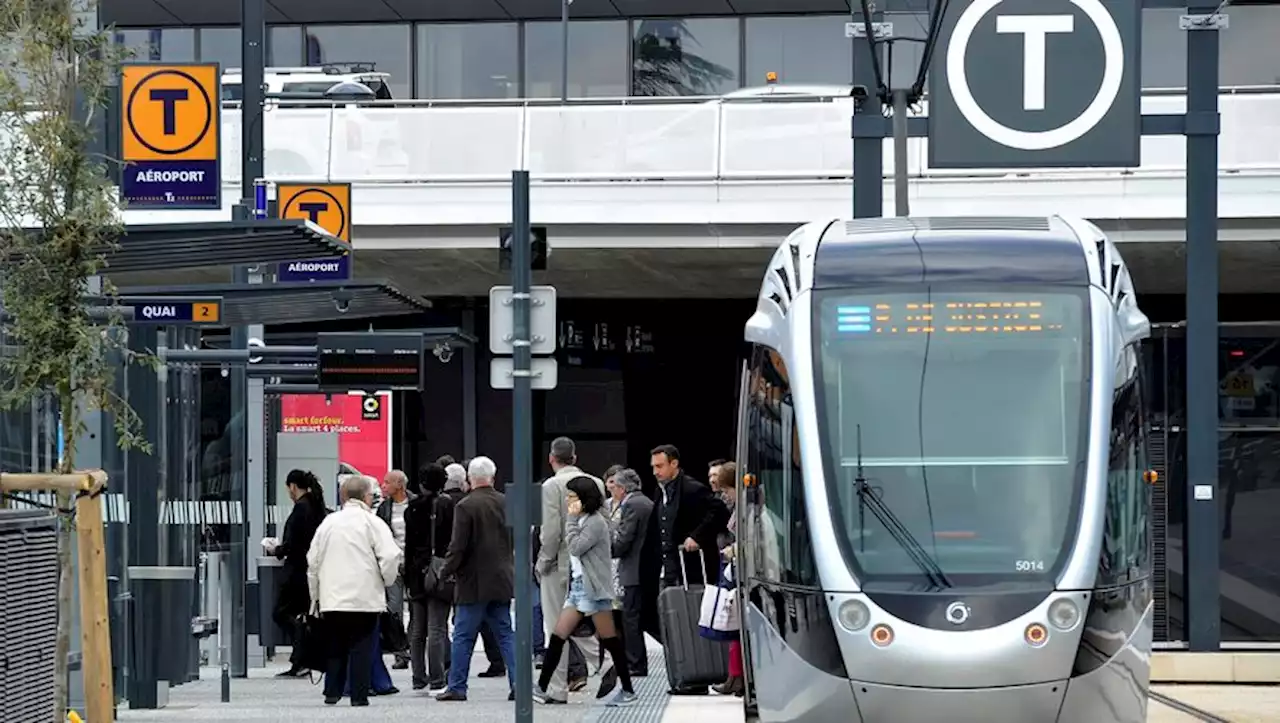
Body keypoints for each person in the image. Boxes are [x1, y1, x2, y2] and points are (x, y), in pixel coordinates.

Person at [533, 475, 637, 707]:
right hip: (580, 588)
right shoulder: (583, 520)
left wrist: (569, 520)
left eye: (572, 496)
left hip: (594, 590)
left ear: (583, 498)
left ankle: (627, 689)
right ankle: (541, 686)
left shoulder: (594, 522)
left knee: (609, 640)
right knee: (559, 635)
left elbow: (576, 547)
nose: (568, 500)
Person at [307, 474, 402, 707]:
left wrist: (316, 597)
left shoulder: (328, 523)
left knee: (335, 644)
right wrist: (386, 580)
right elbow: (390, 555)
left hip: (332, 597)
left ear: (343, 496)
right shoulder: (372, 522)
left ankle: (332, 692)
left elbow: (313, 561)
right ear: (366, 497)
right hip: (365, 597)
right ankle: (359, 695)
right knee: (362, 645)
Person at [436, 456, 518, 702]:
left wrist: (445, 571)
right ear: (492, 477)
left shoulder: (466, 506)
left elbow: (458, 546)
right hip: (502, 578)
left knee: (463, 635)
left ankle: (457, 686)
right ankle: (519, 685)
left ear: (470, 478)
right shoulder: (507, 502)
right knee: (506, 633)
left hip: (472, 582)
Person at [651, 444, 729, 695]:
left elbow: (718, 511)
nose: (655, 471)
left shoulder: (693, 489)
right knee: (671, 618)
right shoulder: (661, 492)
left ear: (674, 464)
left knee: (692, 617)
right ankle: (682, 674)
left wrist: (697, 536)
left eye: (660, 466)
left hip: (691, 569)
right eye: (653, 467)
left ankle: (697, 675)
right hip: (671, 568)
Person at [536, 437, 606, 704]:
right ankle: (608, 664)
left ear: (552, 459)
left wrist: (543, 562)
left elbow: (551, 532)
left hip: (561, 566)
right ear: (575, 458)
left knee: (557, 625)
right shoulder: (597, 483)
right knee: (587, 618)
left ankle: (556, 688)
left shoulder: (552, 486)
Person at [264, 469, 329, 678]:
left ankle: (302, 657)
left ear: (293, 486)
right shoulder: (317, 508)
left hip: (297, 570)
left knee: (281, 613)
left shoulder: (301, 509)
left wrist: (276, 550)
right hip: (311, 569)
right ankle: (302, 659)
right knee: (303, 614)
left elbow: (293, 543)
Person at [404, 463, 452, 692]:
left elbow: (409, 546)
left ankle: (417, 676)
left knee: (417, 629)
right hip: (439, 570)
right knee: (437, 628)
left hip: (416, 570)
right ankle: (437, 678)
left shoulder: (411, 508)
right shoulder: (447, 505)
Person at [609, 467, 656, 677]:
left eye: (615, 487)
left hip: (633, 569)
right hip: (644, 568)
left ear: (621, 488)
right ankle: (636, 661)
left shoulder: (631, 505)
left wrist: (608, 546)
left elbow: (624, 541)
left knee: (631, 619)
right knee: (641, 617)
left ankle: (635, 663)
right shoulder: (645, 502)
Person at [710, 461, 744, 697]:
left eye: (726, 490)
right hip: (736, 568)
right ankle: (734, 676)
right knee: (734, 628)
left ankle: (737, 677)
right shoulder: (744, 506)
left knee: (735, 628)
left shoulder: (746, 508)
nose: (725, 495)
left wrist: (734, 550)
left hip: (740, 568)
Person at [375, 469, 415, 669]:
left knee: (417, 608)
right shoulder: (384, 508)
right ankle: (401, 652)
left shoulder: (416, 504)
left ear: (400, 485)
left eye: (387, 482)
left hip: (415, 563)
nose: (384, 485)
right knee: (394, 608)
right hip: (394, 563)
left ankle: (414, 647)